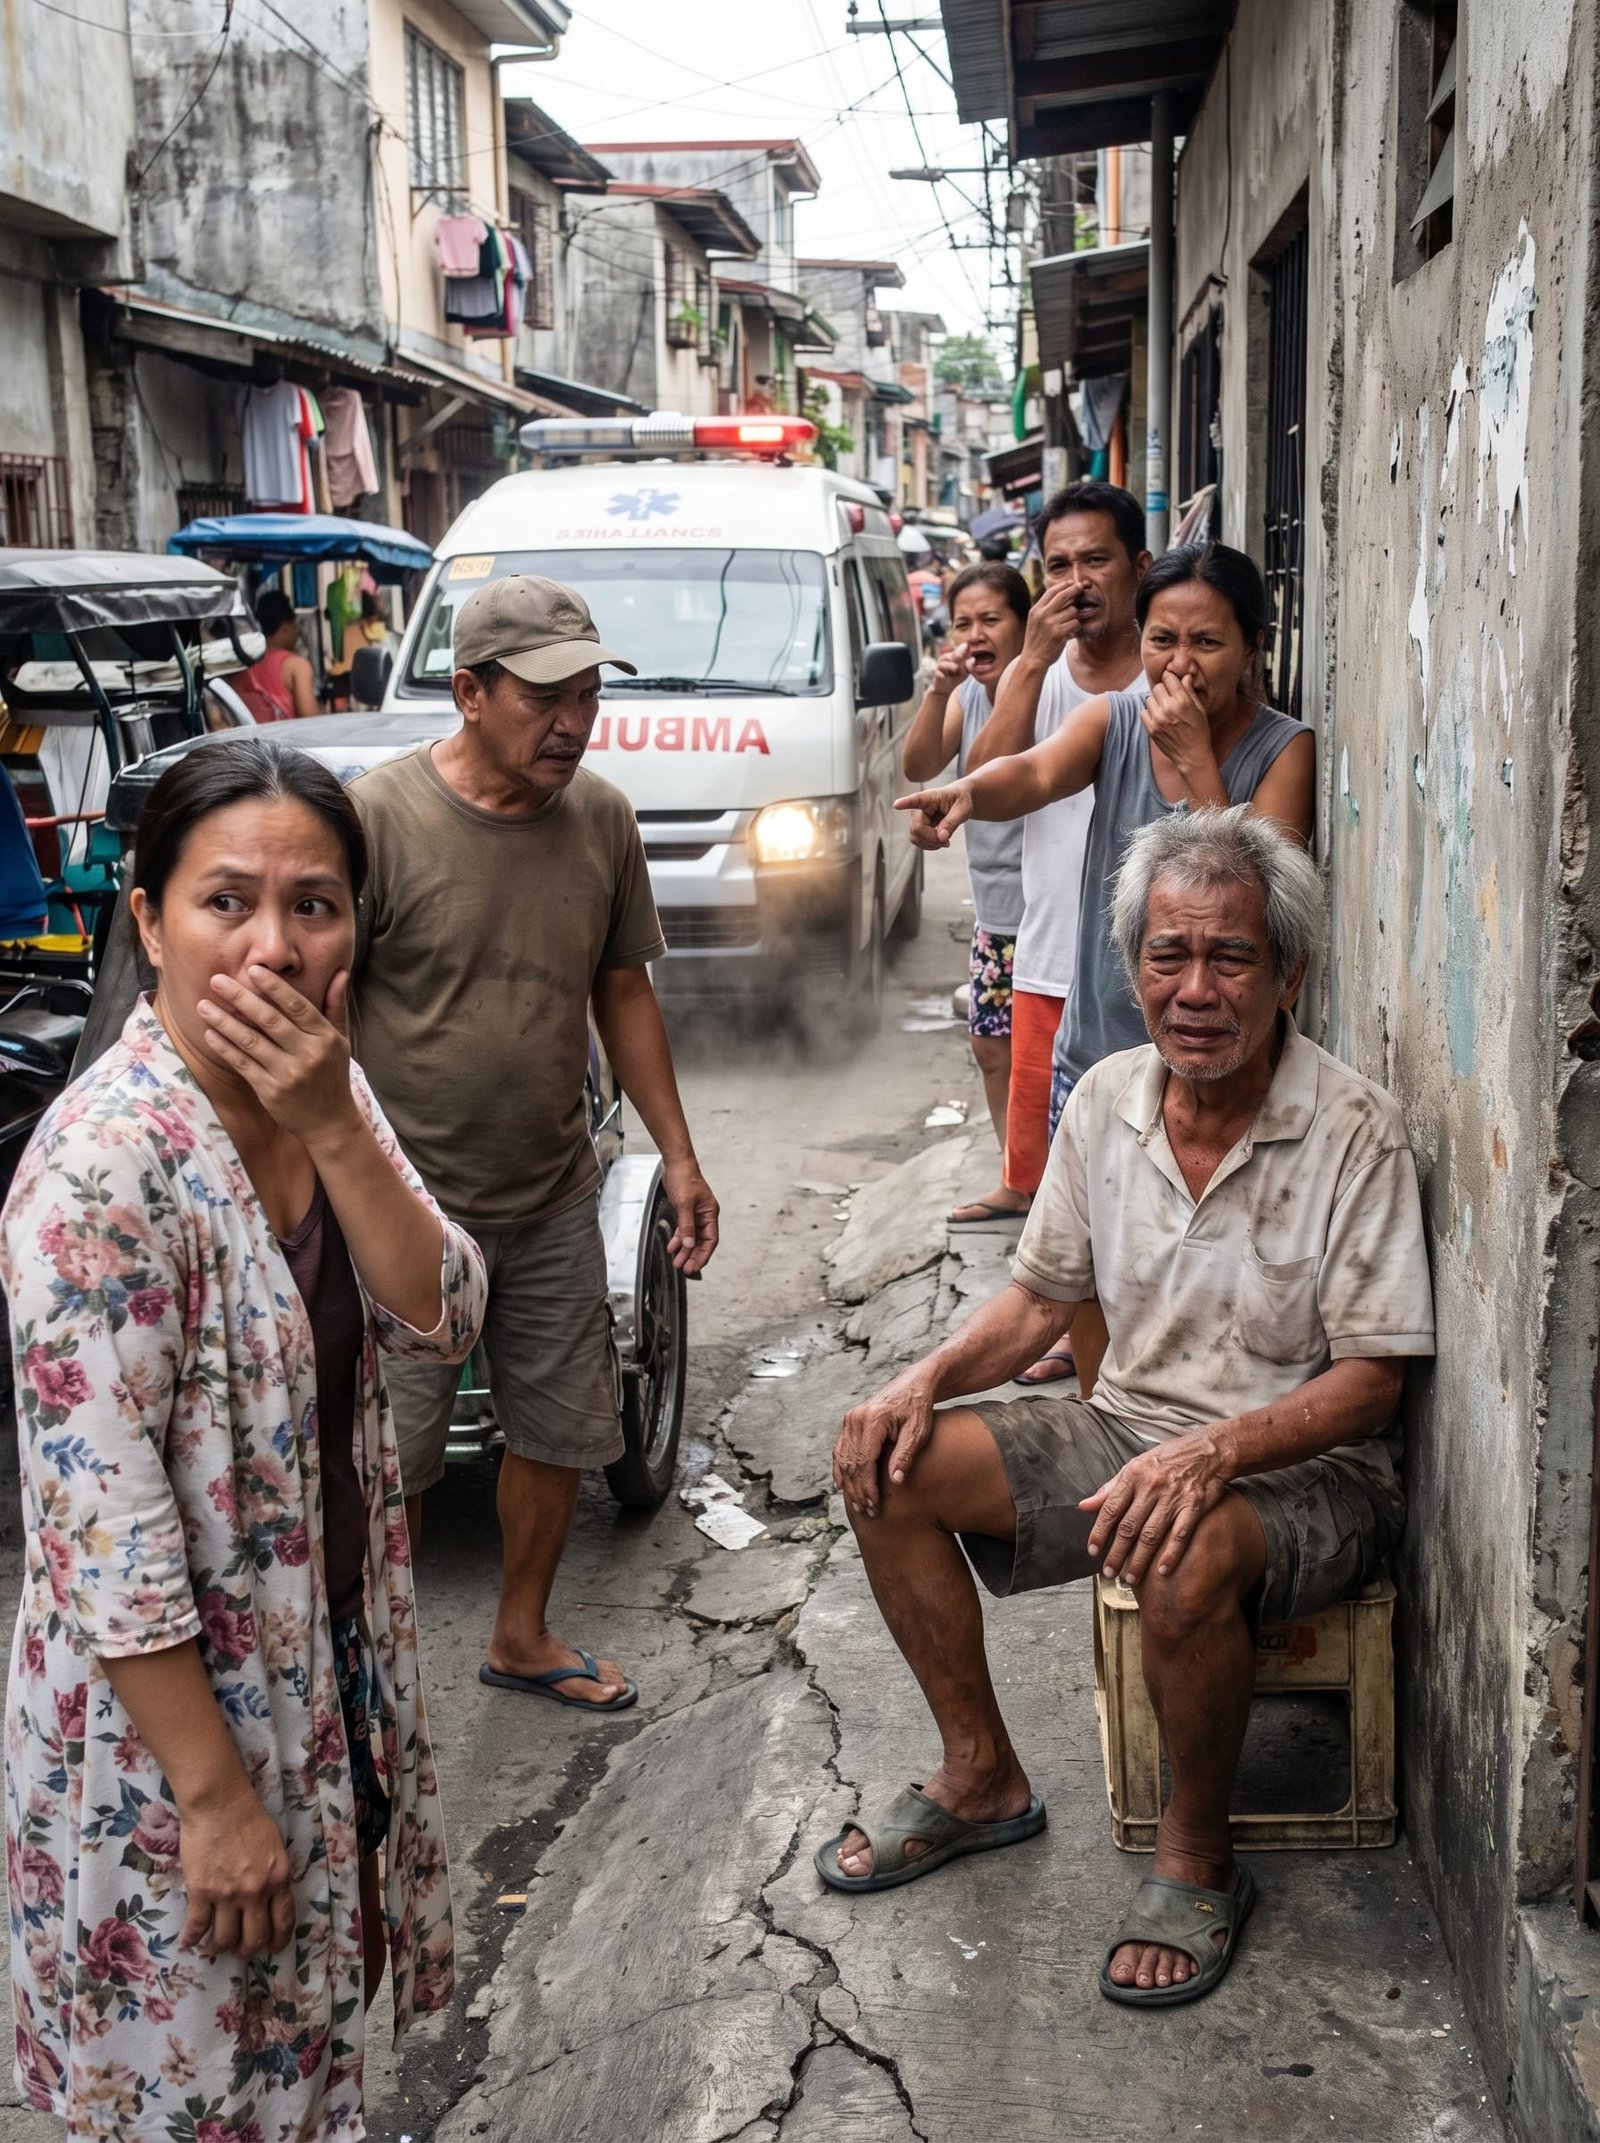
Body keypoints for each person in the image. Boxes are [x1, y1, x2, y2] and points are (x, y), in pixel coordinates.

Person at [820, 807, 1433, 2010]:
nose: (1195, 988)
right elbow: (1042, 1297)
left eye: (1230, 956)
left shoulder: (1354, 1128)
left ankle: (1197, 1856)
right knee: (884, 1461)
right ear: (1132, 965)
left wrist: (1212, 1455)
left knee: (1186, 1548)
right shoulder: (1105, 1097)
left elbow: (1374, 1380)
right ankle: (981, 1772)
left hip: (1310, 1470)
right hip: (1128, 1427)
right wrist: (920, 1380)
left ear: (1288, 973)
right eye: (1168, 955)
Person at [1, 738, 486, 2137]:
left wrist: (335, 1120)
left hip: (323, 1672)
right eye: (227, 901)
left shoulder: (321, 1087)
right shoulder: (104, 1163)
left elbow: (443, 1311)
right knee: (196, 2089)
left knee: (317, 2049)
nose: (273, 944)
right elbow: (107, 1522)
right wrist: (212, 1798)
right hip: (171, 1734)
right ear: (147, 917)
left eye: (315, 903)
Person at [348, 573, 720, 1713]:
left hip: (554, 1184)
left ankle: (520, 1632)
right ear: (468, 692)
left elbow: (623, 991)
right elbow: (321, 1005)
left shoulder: (600, 818)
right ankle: (371, 1671)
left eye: (589, 696)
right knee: (391, 1456)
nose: (571, 723)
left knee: (560, 1422)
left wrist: (682, 1157)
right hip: (404, 1206)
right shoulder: (376, 817)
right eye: (544, 697)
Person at [900, 541, 1314, 1390]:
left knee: (1200, 1281)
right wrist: (968, 795)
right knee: (1084, 1275)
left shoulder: (1283, 749)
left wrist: (1198, 761)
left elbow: (1259, 897)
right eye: (1164, 639)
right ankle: (1102, 1419)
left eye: (1207, 643)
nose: (1181, 664)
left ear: (1250, 649)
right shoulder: (1117, 718)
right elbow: (1037, 770)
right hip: (1097, 1058)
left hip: (1221, 1070)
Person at [963, 481, 1151, 1380]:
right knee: (1065, 1180)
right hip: (1046, 959)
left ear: (1138, 567)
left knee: (1149, 1165)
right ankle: (1074, 1335)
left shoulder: (1171, 667)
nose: (1077, 581)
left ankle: (1129, 1344)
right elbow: (983, 783)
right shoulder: (1041, 675)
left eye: (1096, 561)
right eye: (1060, 564)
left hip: (1150, 972)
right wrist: (1029, 661)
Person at [899, 562, 1032, 1222]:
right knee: (991, 1046)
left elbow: (988, 772)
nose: (976, 634)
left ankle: (1057, 1190)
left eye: (991, 619)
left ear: (1023, 625)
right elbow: (918, 765)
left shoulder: (1046, 690)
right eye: (962, 623)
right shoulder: (965, 693)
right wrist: (937, 692)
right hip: (997, 910)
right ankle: (1017, 1178)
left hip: (1051, 909)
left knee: (1049, 1053)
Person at [235, 587, 321, 723]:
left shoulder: (242, 663)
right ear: (285, 628)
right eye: (295, 625)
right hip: (288, 742)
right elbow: (312, 723)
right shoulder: (296, 666)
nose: (297, 632)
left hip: (249, 742)